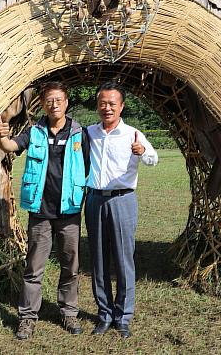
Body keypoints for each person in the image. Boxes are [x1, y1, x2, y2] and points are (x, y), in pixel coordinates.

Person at [0, 81, 90, 340]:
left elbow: (91, 166)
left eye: (59, 99)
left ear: (66, 102)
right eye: (49, 100)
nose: (54, 104)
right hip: (40, 211)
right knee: (34, 267)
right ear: (44, 104)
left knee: (70, 265)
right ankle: (27, 318)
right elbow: (11, 146)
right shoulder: (34, 131)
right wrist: (0, 137)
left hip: (69, 211)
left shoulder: (81, 133)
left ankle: (69, 312)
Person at [85, 81, 158, 339]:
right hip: (94, 199)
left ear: (122, 106)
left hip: (123, 199)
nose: (107, 108)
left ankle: (123, 316)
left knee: (124, 258)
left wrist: (142, 152)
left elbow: (153, 158)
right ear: (97, 105)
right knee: (99, 259)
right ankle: (104, 314)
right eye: (102, 103)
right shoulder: (89, 133)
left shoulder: (132, 134)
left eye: (112, 103)